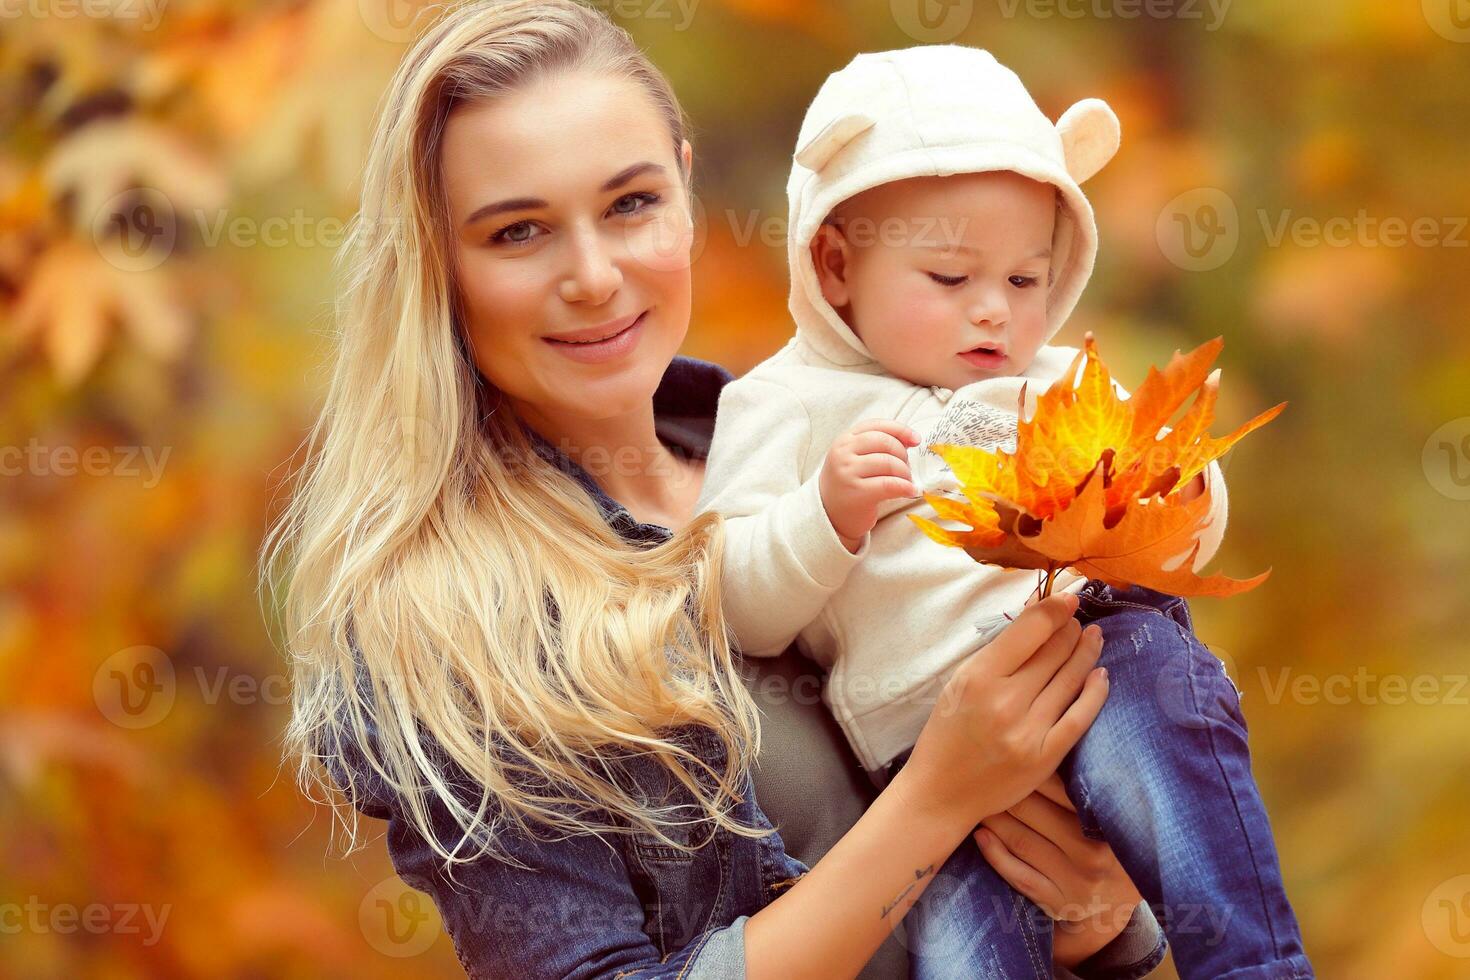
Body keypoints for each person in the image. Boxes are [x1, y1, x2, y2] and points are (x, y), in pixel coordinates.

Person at [261, 3, 1167, 976]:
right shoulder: (445, 619)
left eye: (631, 204)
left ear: (686, 193)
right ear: (439, 265)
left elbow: (1084, 893)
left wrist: (1101, 908)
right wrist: (937, 797)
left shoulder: (824, 452)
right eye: (519, 230)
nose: (595, 275)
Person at [694, 45, 1312, 979]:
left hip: (1101, 660)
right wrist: (823, 516)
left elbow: (1162, 515)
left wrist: (1181, 498)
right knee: (963, 949)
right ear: (832, 264)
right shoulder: (777, 407)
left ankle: (1255, 964)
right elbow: (733, 600)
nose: (995, 314)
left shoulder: (1057, 379)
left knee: (1181, 745)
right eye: (950, 280)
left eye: (1026, 282)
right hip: (925, 758)